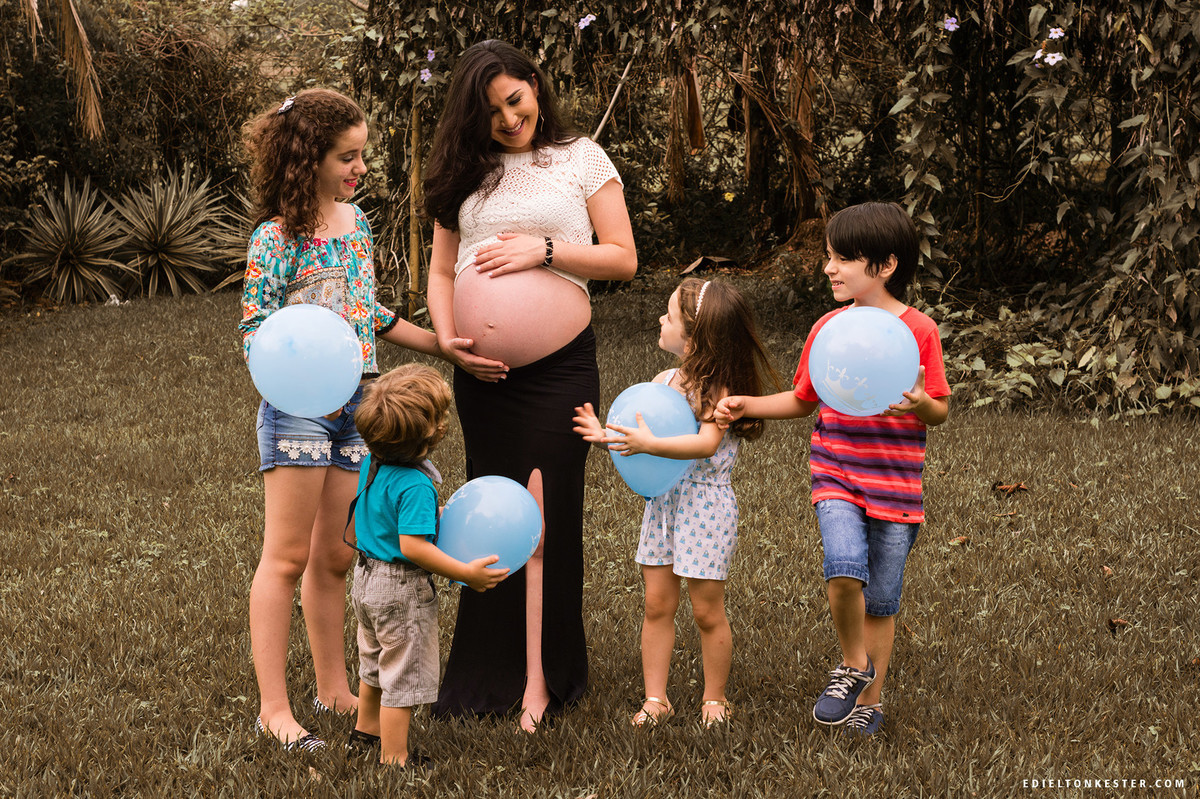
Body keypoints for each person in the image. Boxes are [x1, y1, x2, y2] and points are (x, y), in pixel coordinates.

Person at [422, 40, 637, 731]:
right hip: (484, 377)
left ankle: (544, 680)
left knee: (546, 518)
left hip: (560, 368)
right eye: (491, 111)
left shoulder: (581, 158)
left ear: (536, 87)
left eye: (516, 100)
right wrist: (450, 334)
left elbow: (623, 259)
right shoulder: (464, 173)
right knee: (492, 509)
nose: (510, 119)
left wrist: (543, 250)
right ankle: (487, 673)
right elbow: (440, 269)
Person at [240, 88, 459, 749]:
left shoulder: (356, 224)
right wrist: (298, 375)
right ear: (309, 158)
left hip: (357, 409)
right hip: (299, 409)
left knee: (335, 554)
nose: (359, 168)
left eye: (362, 155)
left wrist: (443, 344)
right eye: (347, 156)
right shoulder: (276, 237)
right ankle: (274, 709)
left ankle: (333, 686)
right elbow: (255, 329)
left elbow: (369, 314)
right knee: (284, 557)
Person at [715, 202, 950, 737]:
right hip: (837, 474)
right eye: (830, 257)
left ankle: (871, 700)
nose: (829, 268)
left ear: (885, 265)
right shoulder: (828, 329)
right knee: (843, 566)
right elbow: (803, 400)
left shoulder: (919, 331)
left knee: (882, 602)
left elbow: (939, 408)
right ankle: (853, 664)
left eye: (842, 259)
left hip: (894, 486)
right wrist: (746, 404)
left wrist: (919, 404)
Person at [573, 278, 780, 728]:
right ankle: (656, 699)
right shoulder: (663, 381)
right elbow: (644, 436)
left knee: (707, 610)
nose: (660, 320)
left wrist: (647, 444)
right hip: (663, 504)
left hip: (704, 508)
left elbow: (705, 444)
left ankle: (715, 699)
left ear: (695, 336)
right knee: (656, 605)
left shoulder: (721, 390)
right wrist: (604, 434)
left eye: (670, 316)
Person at [345, 365, 509, 766]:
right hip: (399, 588)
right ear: (429, 434)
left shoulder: (373, 461)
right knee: (401, 674)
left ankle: (364, 734)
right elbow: (414, 547)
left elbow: (386, 516)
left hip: (365, 580)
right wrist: (464, 572)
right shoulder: (415, 484)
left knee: (374, 663)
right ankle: (395, 758)